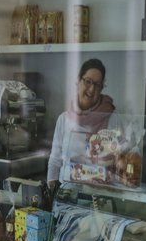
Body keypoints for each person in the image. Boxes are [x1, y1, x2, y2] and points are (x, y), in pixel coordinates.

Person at [46, 57, 118, 199]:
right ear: (78, 81)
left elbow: (117, 163)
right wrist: (52, 192)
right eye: (88, 81)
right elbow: (55, 160)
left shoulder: (112, 118)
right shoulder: (64, 119)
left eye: (97, 85)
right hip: (66, 193)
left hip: (100, 196)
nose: (91, 89)